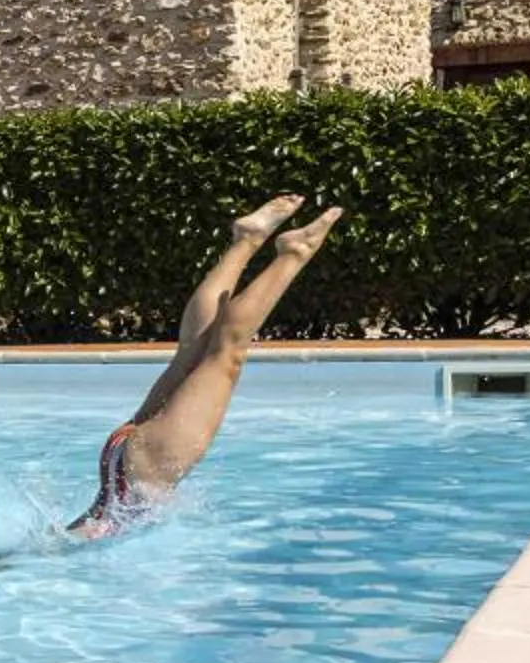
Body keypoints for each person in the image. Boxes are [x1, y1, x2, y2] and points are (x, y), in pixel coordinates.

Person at [67, 195, 344, 540]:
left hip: (143, 471)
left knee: (226, 354)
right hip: (120, 461)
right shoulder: (74, 537)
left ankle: (295, 252)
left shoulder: (74, 546)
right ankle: (246, 240)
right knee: (192, 353)